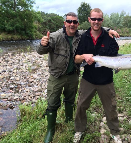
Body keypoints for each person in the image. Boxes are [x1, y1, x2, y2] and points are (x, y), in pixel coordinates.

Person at [36, 12, 120, 143]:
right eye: (69, 21)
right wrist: (43, 44)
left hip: (74, 76)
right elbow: (41, 51)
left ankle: (71, 122)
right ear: (65, 23)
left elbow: (97, 28)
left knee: (72, 101)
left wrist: (109, 30)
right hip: (57, 76)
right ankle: (51, 130)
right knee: (54, 103)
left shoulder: (80, 34)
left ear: (78, 24)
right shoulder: (56, 36)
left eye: (74, 22)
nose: (72, 24)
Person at [73, 8, 131, 143]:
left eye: (99, 19)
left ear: (102, 20)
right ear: (89, 20)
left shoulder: (109, 38)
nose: (96, 22)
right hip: (88, 79)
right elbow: (76, 59)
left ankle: (115, 133)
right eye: (93, 19)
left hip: (106, 80)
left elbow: (117, 59)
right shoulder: (83, 37)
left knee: (111, 108)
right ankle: (79, 130)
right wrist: (83, 56)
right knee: (81, 106)